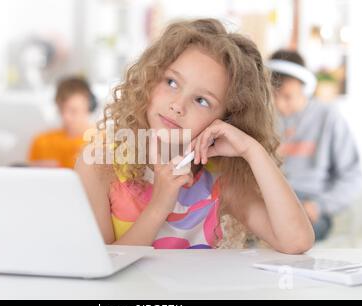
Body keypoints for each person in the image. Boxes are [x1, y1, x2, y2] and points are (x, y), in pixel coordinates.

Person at [75, 19, 314, 253]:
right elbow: (100, 268)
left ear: (226, 118)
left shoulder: (221, 180)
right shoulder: (99, 165)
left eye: (202, 100)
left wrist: (252, 150)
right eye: (171, 82)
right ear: (148, 79)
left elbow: (296, 241)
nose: (178, 105)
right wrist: (159, 205)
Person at [267, 49, 362, 241]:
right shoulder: (264, 118)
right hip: (270, 201)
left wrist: (319, 206)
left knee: (292, 233)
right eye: (273, 96)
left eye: (287, 96)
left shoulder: (329, 117)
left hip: (310, 205)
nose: (279, 104)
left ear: (304, 88)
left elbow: (353, 175)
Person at [28, 77, 97, 168]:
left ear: (89, 107)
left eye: (73, 110)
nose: (66, 117)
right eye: (61, 110)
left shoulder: (103, 143)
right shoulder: (41, 142)